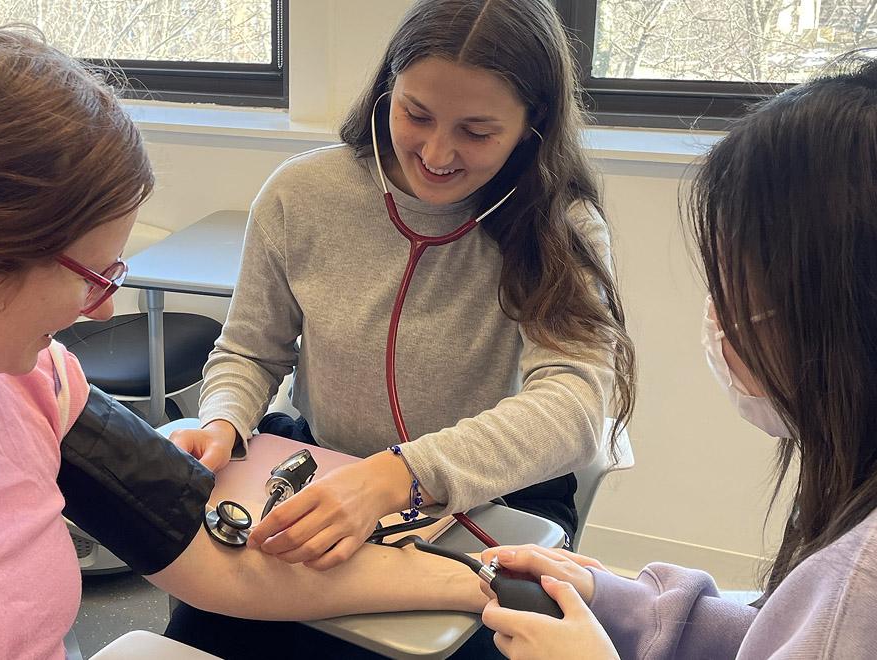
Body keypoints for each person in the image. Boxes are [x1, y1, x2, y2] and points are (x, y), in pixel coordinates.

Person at [0, 31, 488, 659]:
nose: (105, 307)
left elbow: (208, 556)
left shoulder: (32, 379)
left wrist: (479, 580)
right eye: (93, 272)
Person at [166, 0, 635, 656]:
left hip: (494, 503)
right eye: (415, 113)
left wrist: (397, 477)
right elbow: (249, 349)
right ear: (387, 88)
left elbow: (579, 407)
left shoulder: (563, 226)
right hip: (325, 471)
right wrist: (222, 420)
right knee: (202, 628)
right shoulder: (299, 195)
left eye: (477, 130)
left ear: (533, 128)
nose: (437, 152)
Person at [477, 54, 877, 659]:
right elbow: (784, 634)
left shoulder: (861, 578)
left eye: (734, 286)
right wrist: (615, 601)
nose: (718, 316)